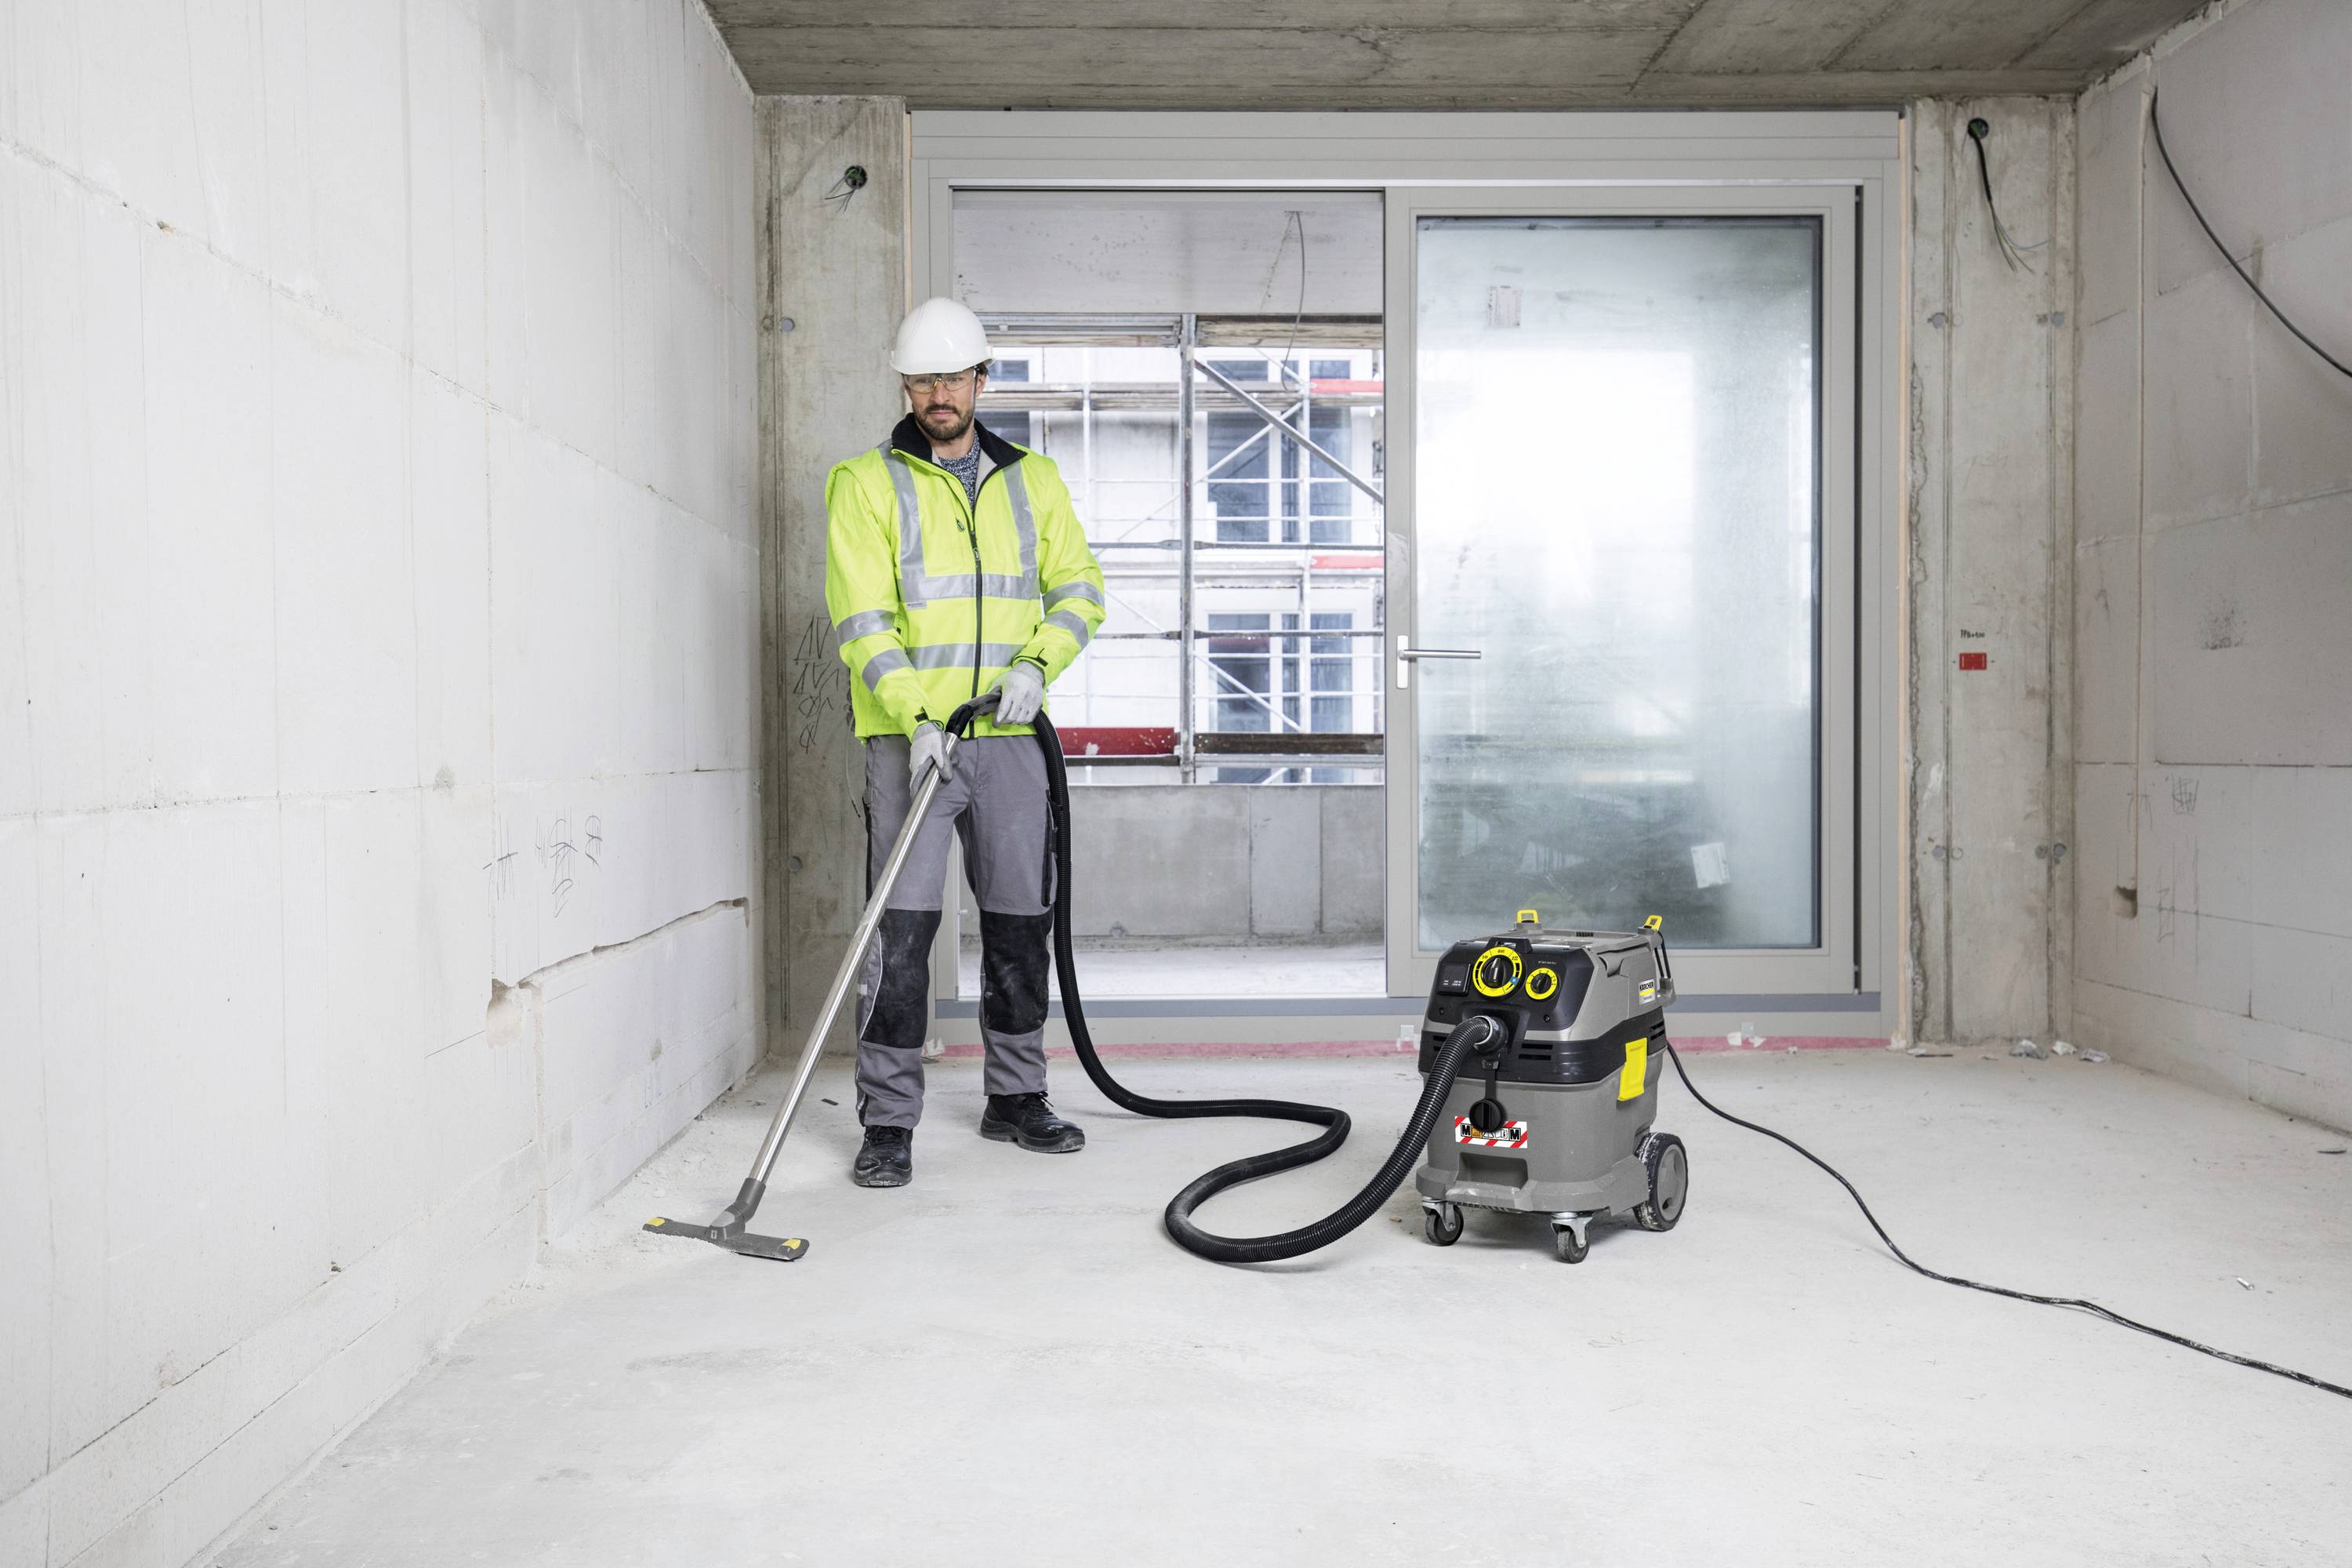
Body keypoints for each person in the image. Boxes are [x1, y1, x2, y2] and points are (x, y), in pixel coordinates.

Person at [823, 297, 1107, 1188]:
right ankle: (889, 1118)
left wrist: (1039, 664)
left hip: (1012, 738)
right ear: (904, 383)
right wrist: (913, 716)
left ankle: (1017, 1096)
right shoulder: (865, 483)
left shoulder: (1037, 481)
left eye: (953, 375)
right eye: (922, 378)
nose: (938, 392)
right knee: (899, 934)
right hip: (912, 744)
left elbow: (1080, 591)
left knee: (1022, 922)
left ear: (982, 378)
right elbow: (861, 618)